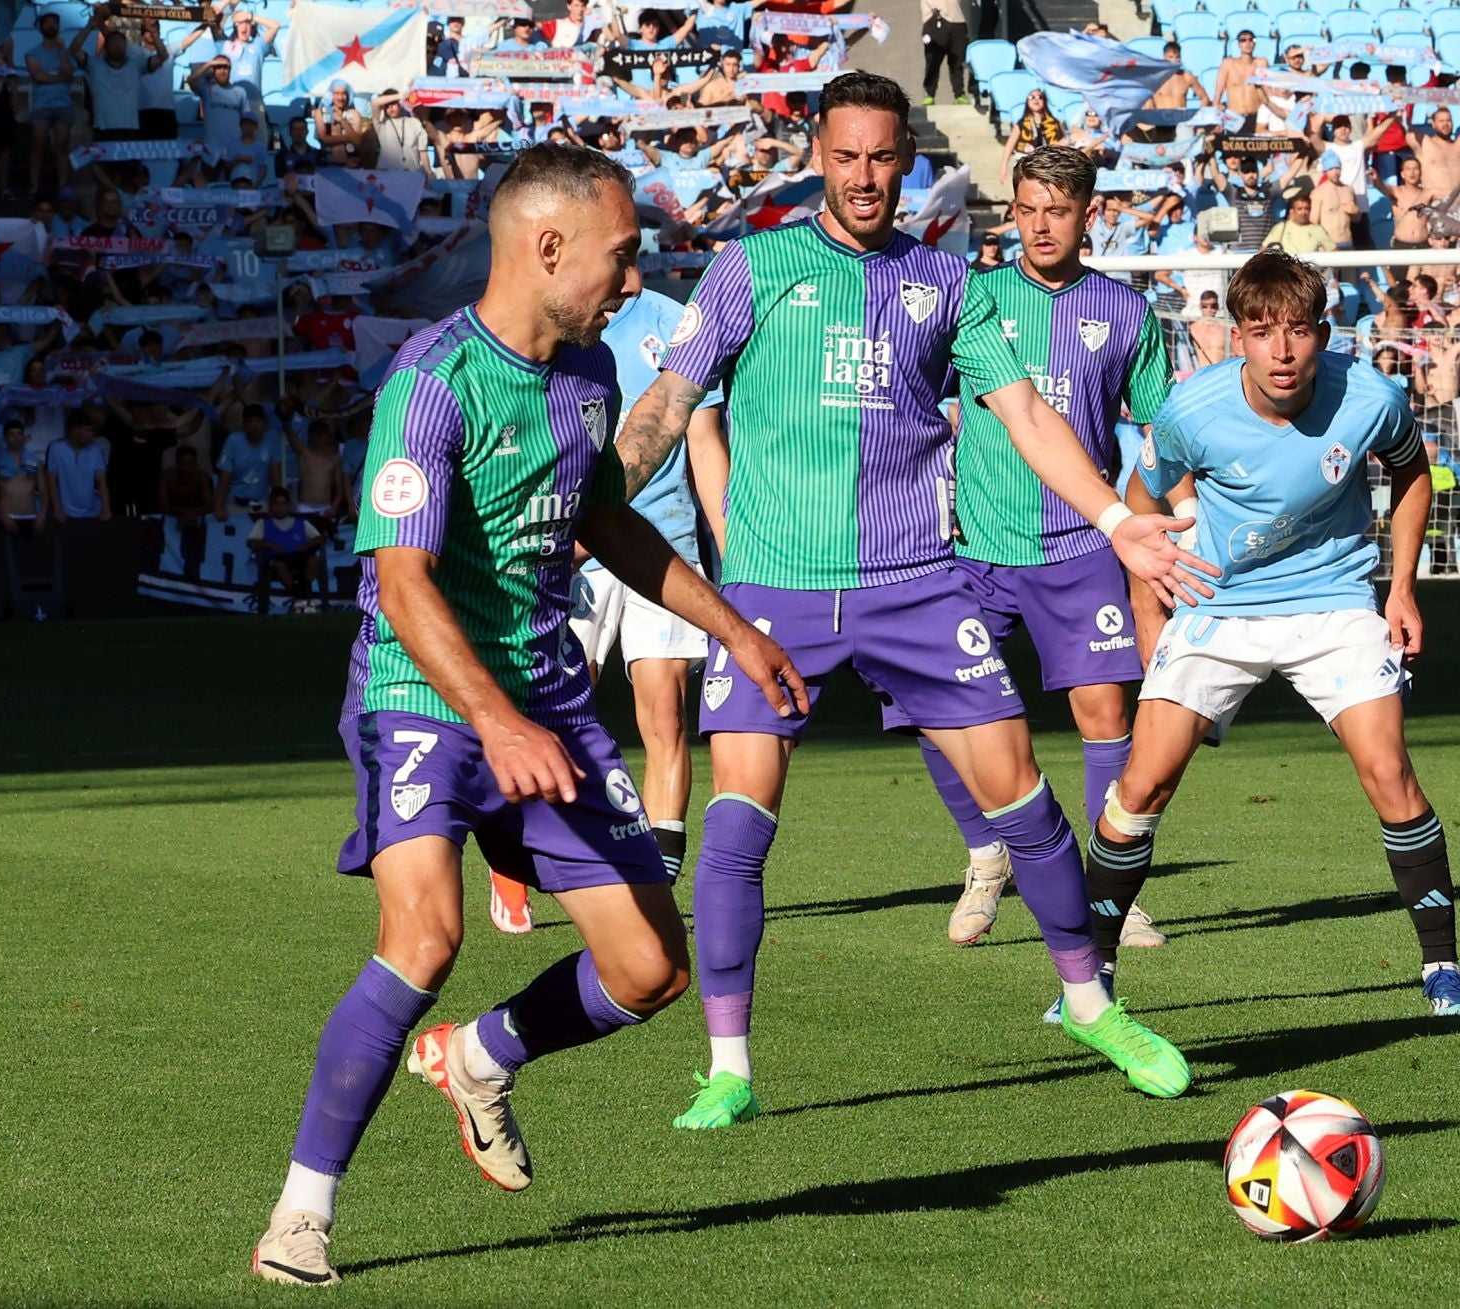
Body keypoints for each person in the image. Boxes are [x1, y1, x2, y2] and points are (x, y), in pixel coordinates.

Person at [251, 144, 805, 1287]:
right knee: (427, 938)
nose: (633, 274)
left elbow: (610, 524)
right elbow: (402, 584)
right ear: (548, 247)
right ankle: (301, 1215)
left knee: (650, 971)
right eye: (621, 253)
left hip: (545, 701)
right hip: (425, 694)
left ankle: (483, 1057)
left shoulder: (593, 368)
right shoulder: (432, 380)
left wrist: (735, 627)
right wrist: (495, 722)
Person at [623, 72, 1207, 1130]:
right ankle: (727, 1063)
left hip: (917, 585)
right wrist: (590, 496)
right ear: (817, 155)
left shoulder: (949, 282)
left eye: (882, 157)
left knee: (1025, 796)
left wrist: (1119, 520)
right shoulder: (751, 268)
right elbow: (671, 403)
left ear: (907, 161)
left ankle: (1089, 1002)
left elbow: (1025, 414)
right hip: (772, 591)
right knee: (739, 824)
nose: (863, 176)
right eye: (845, 155)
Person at [1078, 248, 1460, 1021]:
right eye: (1264, 332)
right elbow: (1141, 495)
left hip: (1333, 602)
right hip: (1220, 604)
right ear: (1239, 338)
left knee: (1388, 769)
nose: (1284, 350)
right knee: (1141, 786)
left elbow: (1412, 471)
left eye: (1298, 330)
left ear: (1323, 333)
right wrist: (1148, 607)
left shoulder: (1370, 397)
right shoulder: (1192, 412)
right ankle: (1089, 979)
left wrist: (1401, 588)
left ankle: (1443, 969)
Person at [920, 146, 1175, 949]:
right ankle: (987, 853)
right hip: (976, 547)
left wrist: (1176, 517)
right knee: (937, 711)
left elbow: (1160, 434)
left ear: (1086, 216)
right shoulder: (972, 299)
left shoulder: (1127, 312)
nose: (1038, 224)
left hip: (1079, 546)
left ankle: (1109, 889)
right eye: (1026, 209)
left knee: (1105, 715)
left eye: (1056, 210)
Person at [486, 287, 729, 936]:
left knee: (665, 714)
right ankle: (514, 862)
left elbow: (704, 444)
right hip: (578, 545)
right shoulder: (557, 323)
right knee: (559, 708)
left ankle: (656, 883)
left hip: (665, 546)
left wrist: (730, 553)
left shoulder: (678, 324)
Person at [71, 6, 163, 142]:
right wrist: (89, 27)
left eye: (121, 44)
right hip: (103, 130)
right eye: (114, 44)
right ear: (106, 48)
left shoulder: (136, 66)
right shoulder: (94, 65)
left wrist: (153, 34)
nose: (118, 47)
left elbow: (162, 56)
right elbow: (74, 50)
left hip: (130, 130)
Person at [25, 12, 76, 198]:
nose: (51, 25)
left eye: (54, 22)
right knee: (38, 146)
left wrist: (63, 51)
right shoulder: (32, 53)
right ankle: (34, 185)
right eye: (47, 22)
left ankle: (63, 185)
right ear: (41, 27)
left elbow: (69, 74)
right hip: (42, 104)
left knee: (62, 147)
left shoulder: (64, 51)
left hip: (63, 103)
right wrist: (60, 78)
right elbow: (38, 76)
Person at [248, 487, 325, 595]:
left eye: (283, 504)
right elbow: (252, 541)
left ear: (288, 505)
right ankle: (296, 591)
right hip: (277, 559)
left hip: (299, 557)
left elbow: (319, 538)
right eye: (276, 504)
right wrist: (269, 544)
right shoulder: (263, 523)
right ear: (271, 505)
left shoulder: (301, 523)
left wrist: (307, 545)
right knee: (279, 565)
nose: (280, 508)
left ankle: (303, 588)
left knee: (314, 560)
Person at [214, 405, 283, 518]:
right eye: (250, 421)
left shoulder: (272, 442)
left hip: (261, 504)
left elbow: (276, 481)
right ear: (244, 425)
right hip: (234, 504)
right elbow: (224, 478)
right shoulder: (233, 440)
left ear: (264, 424)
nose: (254, 426)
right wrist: (218, 508)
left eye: (258, 421)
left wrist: (277, 507)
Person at [45, 411, 112, 525]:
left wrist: (106, 508)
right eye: (88, 430)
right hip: (65, 514)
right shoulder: (56, 448)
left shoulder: (95, 449)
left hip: (92, 513)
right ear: (74, 429)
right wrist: (57, 510)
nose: (91, 434)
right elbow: (51, 481)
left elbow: (101, 481)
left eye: (92, 431)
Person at [999, 88, 1065, 177]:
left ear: (1044, 101)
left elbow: (1065, 142)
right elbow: (1009, 147)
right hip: (1028, 167)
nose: (1036, 99)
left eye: (1040, 97)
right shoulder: (1020, 125)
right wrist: (1003, 168)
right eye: (1032, 97)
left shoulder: (1056, 122)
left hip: (1051, 166)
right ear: (1027, 102)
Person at [921, 0, 970, 107]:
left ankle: (959, 94)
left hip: (957, 19)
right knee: (933, 60)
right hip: (935, 17)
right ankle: (929, 94)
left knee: (957, 61)